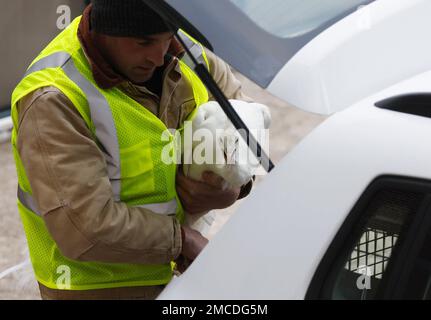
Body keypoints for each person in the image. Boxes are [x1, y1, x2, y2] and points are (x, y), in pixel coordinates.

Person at [11, 0, 253, 300]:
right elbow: (83, 229)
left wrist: (236, 184)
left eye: (167, 38)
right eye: (143, 42)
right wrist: (181, 241)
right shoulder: (54, 98)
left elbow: (246, 121)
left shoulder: (184, 49)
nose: (158, 55)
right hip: (97, 289)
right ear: (104, 28)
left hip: (174, 276)